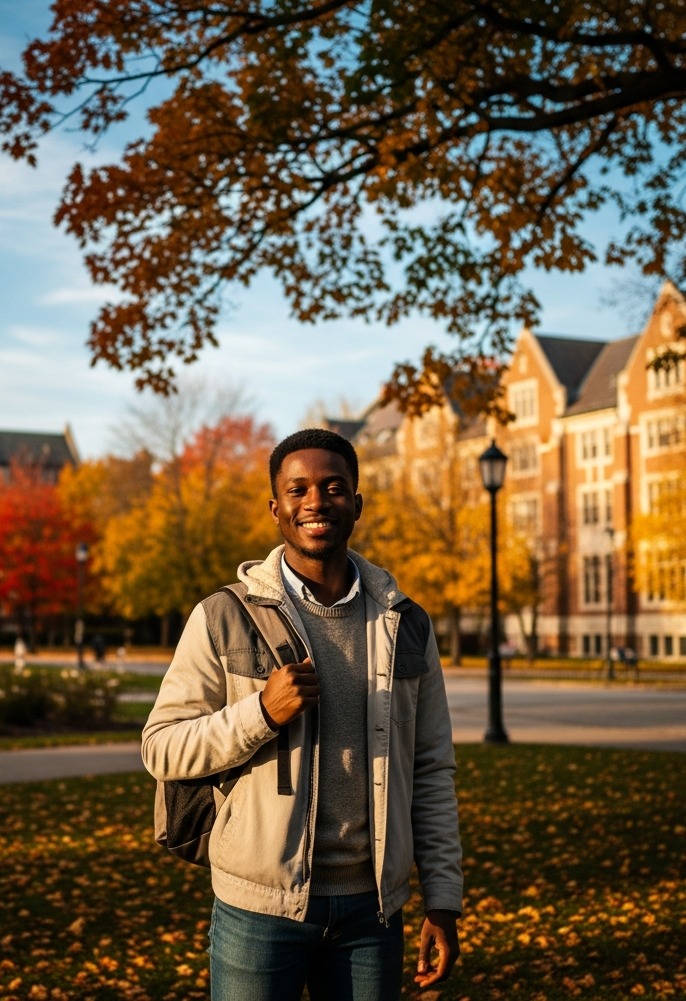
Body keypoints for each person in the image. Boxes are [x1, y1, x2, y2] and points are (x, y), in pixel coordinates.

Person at [142, 428, 463, 1000]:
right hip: (259, 910)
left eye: (334, 487)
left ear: (357, 505)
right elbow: (161, 747)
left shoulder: (405, 622)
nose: (316, 501)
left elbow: (432, 769)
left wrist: (442, 898)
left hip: (373, 913)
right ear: (277, 508)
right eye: (299, 490)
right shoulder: (224, 616)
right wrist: (260, 714)